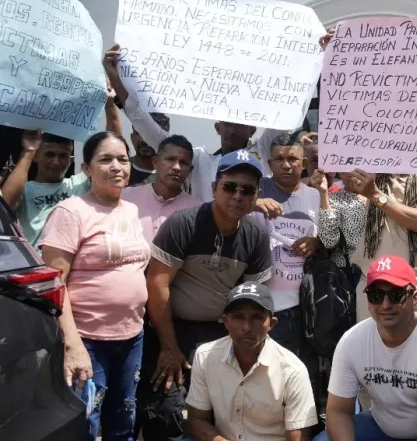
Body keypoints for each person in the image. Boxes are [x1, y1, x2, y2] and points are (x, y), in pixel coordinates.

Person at [138, 149, 273, 439]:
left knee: (217, 413)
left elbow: (252, 304)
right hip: (172, 331)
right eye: (229, 187)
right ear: (214, 189)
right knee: (168, 415)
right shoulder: (184, 223)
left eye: (247, 190)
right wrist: (168, 348)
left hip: (220, 335)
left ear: (255, 196)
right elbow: (156, 285)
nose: (238, 195)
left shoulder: (256, 238)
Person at [39, 131, 151, 441]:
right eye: (105, 160)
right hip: (87, 340)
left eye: (123, 159)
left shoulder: (130, 210)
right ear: (86, 169)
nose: (117, 166)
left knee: (123, 421)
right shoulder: (70, 213)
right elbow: (53, 284)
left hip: (131, 338)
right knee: (84, 424)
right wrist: (73, 346)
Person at [103, 45, 290, 203]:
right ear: (217, 128)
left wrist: (318, 65)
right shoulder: (200, 160)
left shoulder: (264, 151)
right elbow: (149, 129)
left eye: (239, 124)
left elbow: (289, 111)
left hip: (253, 239)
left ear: (252, 129)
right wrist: (116, 80)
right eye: (226, 123)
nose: (232, 130)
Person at [317, 255, 417, 441]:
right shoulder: (352, 341)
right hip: (380, 426)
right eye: (376, 295)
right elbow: (338, 410)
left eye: (396, 294)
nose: (385, 304)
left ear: (415, 299)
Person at [187, 282, 319, 441]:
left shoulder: (292, 371)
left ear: (272, 323)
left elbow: (297, 438)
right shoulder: (205, 357)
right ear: (225, 321)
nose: (246, 327)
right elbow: (196, 419)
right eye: (238, 317)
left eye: (257, 318)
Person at [254, 134, 321, 355]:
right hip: (266, 306)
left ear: (303, 164)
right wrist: (255, 203)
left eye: (292, 159)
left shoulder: (317, 195)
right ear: (270, 163)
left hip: (306, 306)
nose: (286, 165)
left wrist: (316, 243)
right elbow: (224, 204)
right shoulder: (256, 189)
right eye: (279, 159)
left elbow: (330, 237)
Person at [348, 170, 417, 321]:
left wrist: (375, 195)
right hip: (373, 287)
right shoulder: (371, 169)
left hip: (415, 285)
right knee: (372, 343)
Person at [0, 130, 86, 247]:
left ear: (71, 160)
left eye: (63, 156)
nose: (56, 162)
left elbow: (112, 151)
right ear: (36, 157)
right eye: (49, 154)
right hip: (37, 262)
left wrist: (111, 111)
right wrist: (29, 151)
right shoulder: (24, 190)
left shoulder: (78, 184)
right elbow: (5, 205)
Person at [121, 135, 200, 244]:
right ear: (155, 162)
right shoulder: (125, 198)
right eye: (170, 159)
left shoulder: (198, 212)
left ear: (190, 170)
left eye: (183, 162)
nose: (177, 167)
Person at [311, 169, 366, 270]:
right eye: (346, 167)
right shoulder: (332, 199)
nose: (352, 172)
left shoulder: (387, 197)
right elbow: (329, 241)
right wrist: (324, 193)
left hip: (384, 271)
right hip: (348, 274)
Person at [128, 113, 170, 186]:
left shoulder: (176, 177)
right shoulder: (119, 171)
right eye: (139, 133)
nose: (144, 140)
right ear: (132, 137)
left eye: (151, 134)